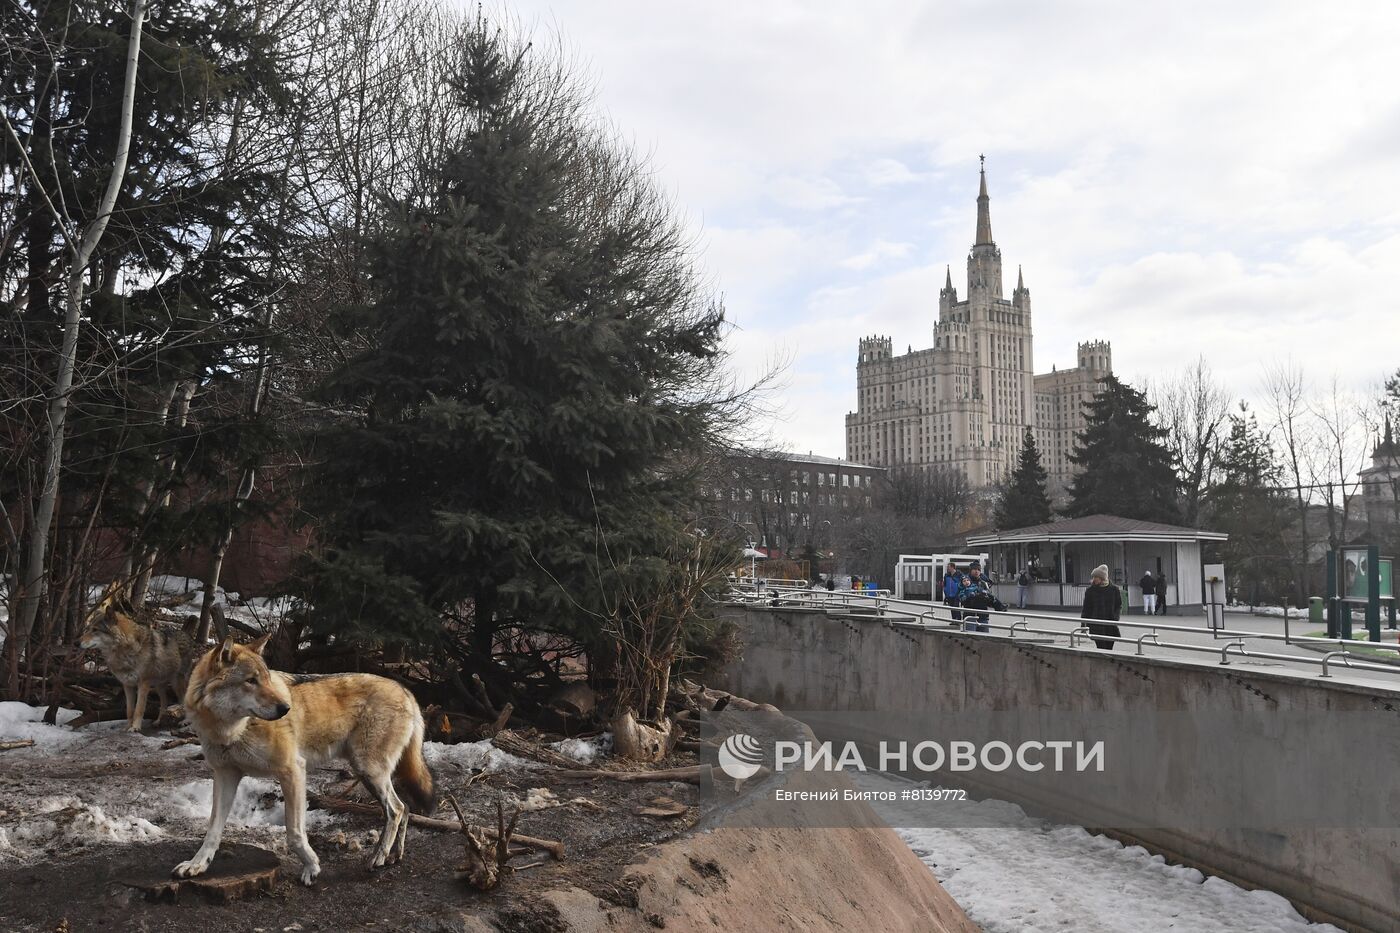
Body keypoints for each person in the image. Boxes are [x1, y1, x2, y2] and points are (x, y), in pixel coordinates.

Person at [1082, 564, 1122, 649]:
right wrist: (1084, 624)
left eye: (1096, 577)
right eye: (1093, 577)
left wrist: (1115, 618)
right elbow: (1086, 608)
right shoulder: (1090, 591)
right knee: (1101, 647)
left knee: (1109, 648)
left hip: (1110, 625)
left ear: (1102, 578)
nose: (1094, 579)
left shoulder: (1114, 589)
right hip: (1096, 625)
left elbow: (1118, 605)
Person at [959, 565, 996, 632]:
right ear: (970, 570)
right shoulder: (965, 580)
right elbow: (962, 598)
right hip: (970, 615)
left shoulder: (983, 582)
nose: (977, 571)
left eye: (978, 570)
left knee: (984, 637)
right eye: (975, 569)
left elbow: (988, 596)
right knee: (970, 636)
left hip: (983, 614)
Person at [943, 561, 965, 626]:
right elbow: (945, 584)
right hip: (949, 594)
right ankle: (953, 620)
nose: (947, 568)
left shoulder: (959, 574)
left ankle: (958, 620)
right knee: (952, 607)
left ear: (952, 567)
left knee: (956, 607)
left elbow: (963, 583)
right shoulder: (947, 575)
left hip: (957, 593)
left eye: (948, 567)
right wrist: (945, 592)